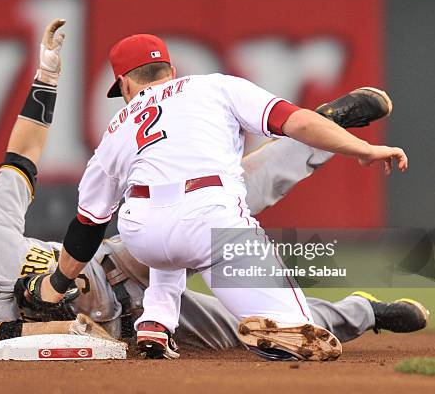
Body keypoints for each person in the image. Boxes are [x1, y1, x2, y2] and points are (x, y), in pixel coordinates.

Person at [0, 19, 427, 358]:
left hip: (119, 259)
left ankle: (327, 127)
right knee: (239, 325)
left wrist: (44, 82)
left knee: (235, 186)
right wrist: (80, 331)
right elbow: (50, 340)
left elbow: (21, 155)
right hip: (118, 319)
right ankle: (366, 312)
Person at [23, 33, 413, 361]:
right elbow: (297, 122)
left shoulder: (116, 128)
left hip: (142, 233)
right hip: (209, 218)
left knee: (166, 240)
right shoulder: (214, 85)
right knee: (298, 330)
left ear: (124, 83)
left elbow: (88, 225)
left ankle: (155, 326)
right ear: (171, 71)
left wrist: (56, 285)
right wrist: (362, 149)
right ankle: (284, 327)